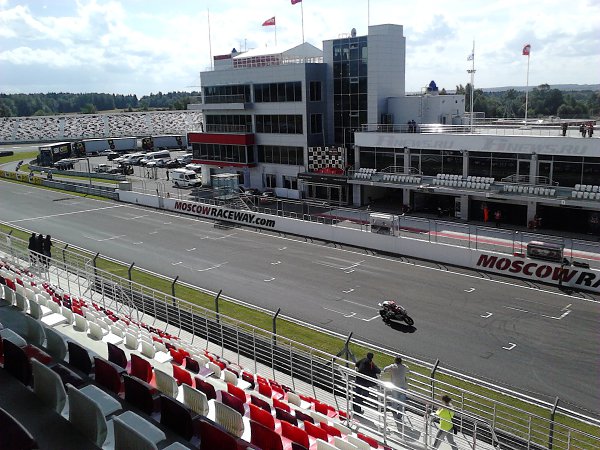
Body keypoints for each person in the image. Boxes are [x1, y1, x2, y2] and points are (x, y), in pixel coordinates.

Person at [383, 356, 410, 428]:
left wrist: (391, 370)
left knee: (395, 399)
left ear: (395, 361)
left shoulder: (392, 366)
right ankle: (400, 413)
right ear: (401, 361)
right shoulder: (404, 367)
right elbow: (408, 370)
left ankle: (394, 410)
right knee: (401, 401)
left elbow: (385, 369)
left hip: (395, 386)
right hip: (403, 387)